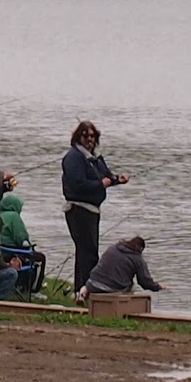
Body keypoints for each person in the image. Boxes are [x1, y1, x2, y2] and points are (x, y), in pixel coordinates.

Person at [62, 120, 128, 292]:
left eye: (92, 136)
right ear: (78, 137)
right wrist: (101, 185)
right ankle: (86, 291)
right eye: (85, 135)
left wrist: (116, 180)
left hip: (92, 211)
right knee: (88, 253)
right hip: (78, 210)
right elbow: (78, 185)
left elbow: (105, 176)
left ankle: (81, 289)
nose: (89, 139)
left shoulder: (94, 158)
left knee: (87, 251)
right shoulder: (73, 157)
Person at [82, 236, 163, 300]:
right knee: (132, 286)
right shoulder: (138, 259)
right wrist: (158, 287)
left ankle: (82, 294)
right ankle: (124, 309)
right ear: (140, 249)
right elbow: (144, 282)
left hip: (92, 283)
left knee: (87, 285)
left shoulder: (113, 248)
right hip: (112, 289)